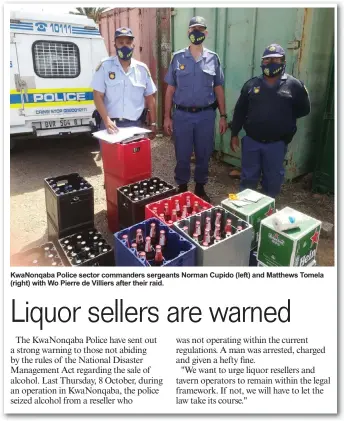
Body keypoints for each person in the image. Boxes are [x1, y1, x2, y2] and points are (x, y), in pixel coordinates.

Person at [230, 43, 310, 198]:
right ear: (262, 62)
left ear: (283, 62)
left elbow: (303, 110)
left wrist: (282, 120)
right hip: (252, 142)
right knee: (248, 179)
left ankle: (267, 213)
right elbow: (240, 111)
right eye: (267, 60)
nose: (271, 63)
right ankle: (246, 213)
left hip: (276, 145)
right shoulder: (251, 84)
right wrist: (234, 134)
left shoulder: (294, 85)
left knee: (272, 181)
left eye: (275, 59)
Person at [164, 16, 228, 202]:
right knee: (182, 154)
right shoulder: (177, 58)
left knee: (204, 153)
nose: (197, 33)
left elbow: (218, 89)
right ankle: (182, 187)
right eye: (193, 30)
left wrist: (223, 115)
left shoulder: (213, 59)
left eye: (200, 30)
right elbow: (169, 91)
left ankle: (200, 188)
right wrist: (167, 117)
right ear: (188, 32)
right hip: (182, 115)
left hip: (205, 116)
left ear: (206, 33)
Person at [91, 27, 157, 137]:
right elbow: (97, 96)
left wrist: (153, 123)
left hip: (135, 126)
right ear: (115, 45)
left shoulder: (142, 69)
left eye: (128, 42)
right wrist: (107, 120)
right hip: (111, 126)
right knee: (111, 155)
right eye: (121, 43)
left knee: (135, 154)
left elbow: (150, 98)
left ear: (133, 46)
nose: (125, 46)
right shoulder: (105, 66)